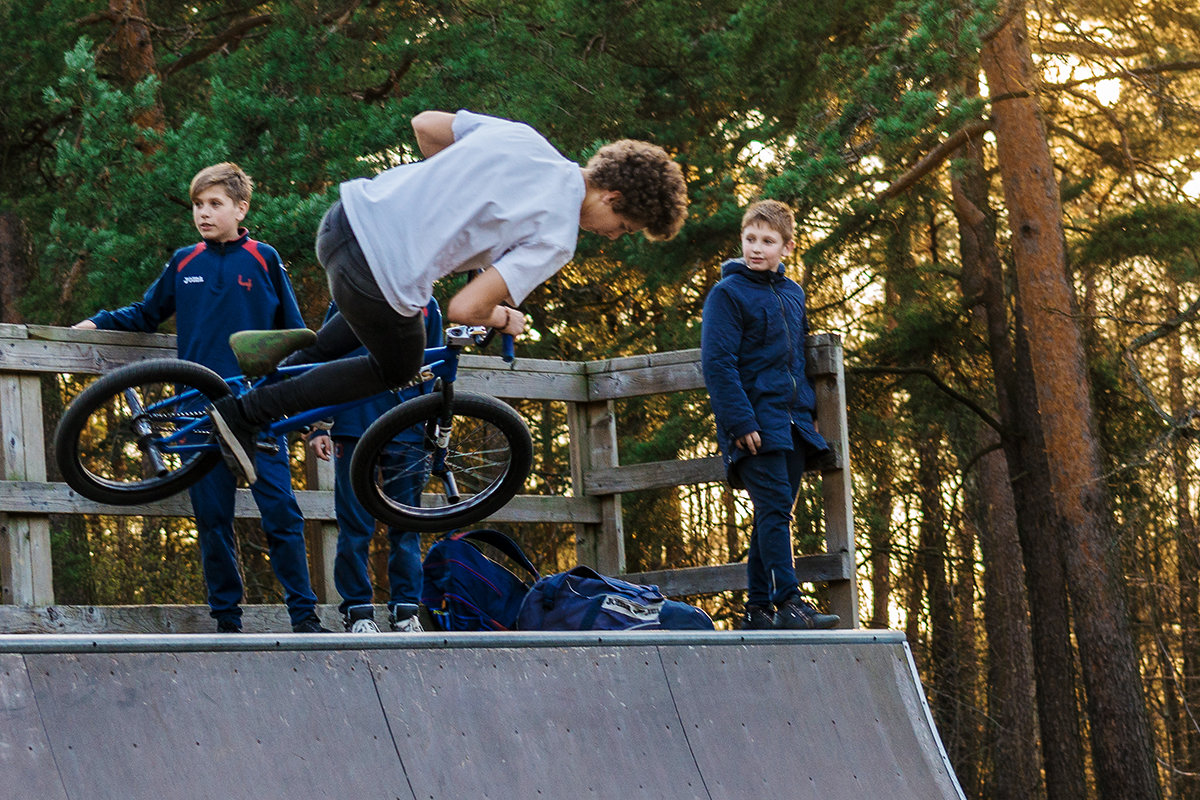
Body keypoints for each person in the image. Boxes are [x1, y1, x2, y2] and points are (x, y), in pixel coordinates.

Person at [206, 109, 689, 482]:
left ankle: (264, 358)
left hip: (344, 222)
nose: (612, 237)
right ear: (613, 198)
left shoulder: (524, 139)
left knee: (360, 331)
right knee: (397, 365)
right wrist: (501, 319)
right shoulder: (559, 236)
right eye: (623, 228)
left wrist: (447, 193)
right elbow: (464, 309)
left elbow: (426, 125)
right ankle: (246, 414)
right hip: (380, 272)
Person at [73, 162, 327, 634]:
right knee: (212, 520)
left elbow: (296, 339)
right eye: (198, 205)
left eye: (215, 204)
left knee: (283, 515)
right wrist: (96, 321)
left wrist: (315, 421)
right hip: (197, 409)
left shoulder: (264, 258)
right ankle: (227, 623)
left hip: (259, 409)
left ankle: (305, 619)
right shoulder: (184, 261)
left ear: (240, 208)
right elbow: (146, 314)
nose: (204, 214)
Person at [700, 199, 840, 631]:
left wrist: (809, 414)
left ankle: (758, 609)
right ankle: (790, 603)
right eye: (750, 239)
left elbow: (795, 360)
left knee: (773, 513)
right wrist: (741, 422)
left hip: (793, 423)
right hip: (754, 423)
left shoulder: (793, 293)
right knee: (777, 509)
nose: (756, 248)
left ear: (787, 248)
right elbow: (718, 363)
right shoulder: (727, 294)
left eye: (768, 241)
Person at [306, 298, 442, 634]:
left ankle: (406, 610)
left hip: (408, 424)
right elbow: (326, 356)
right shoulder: (349, 295)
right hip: (354, 422)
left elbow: (438, 365)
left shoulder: (428, 303)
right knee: (353, 523)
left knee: (407, 523)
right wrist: (321, 424)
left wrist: (435, 426)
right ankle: (357, 611)